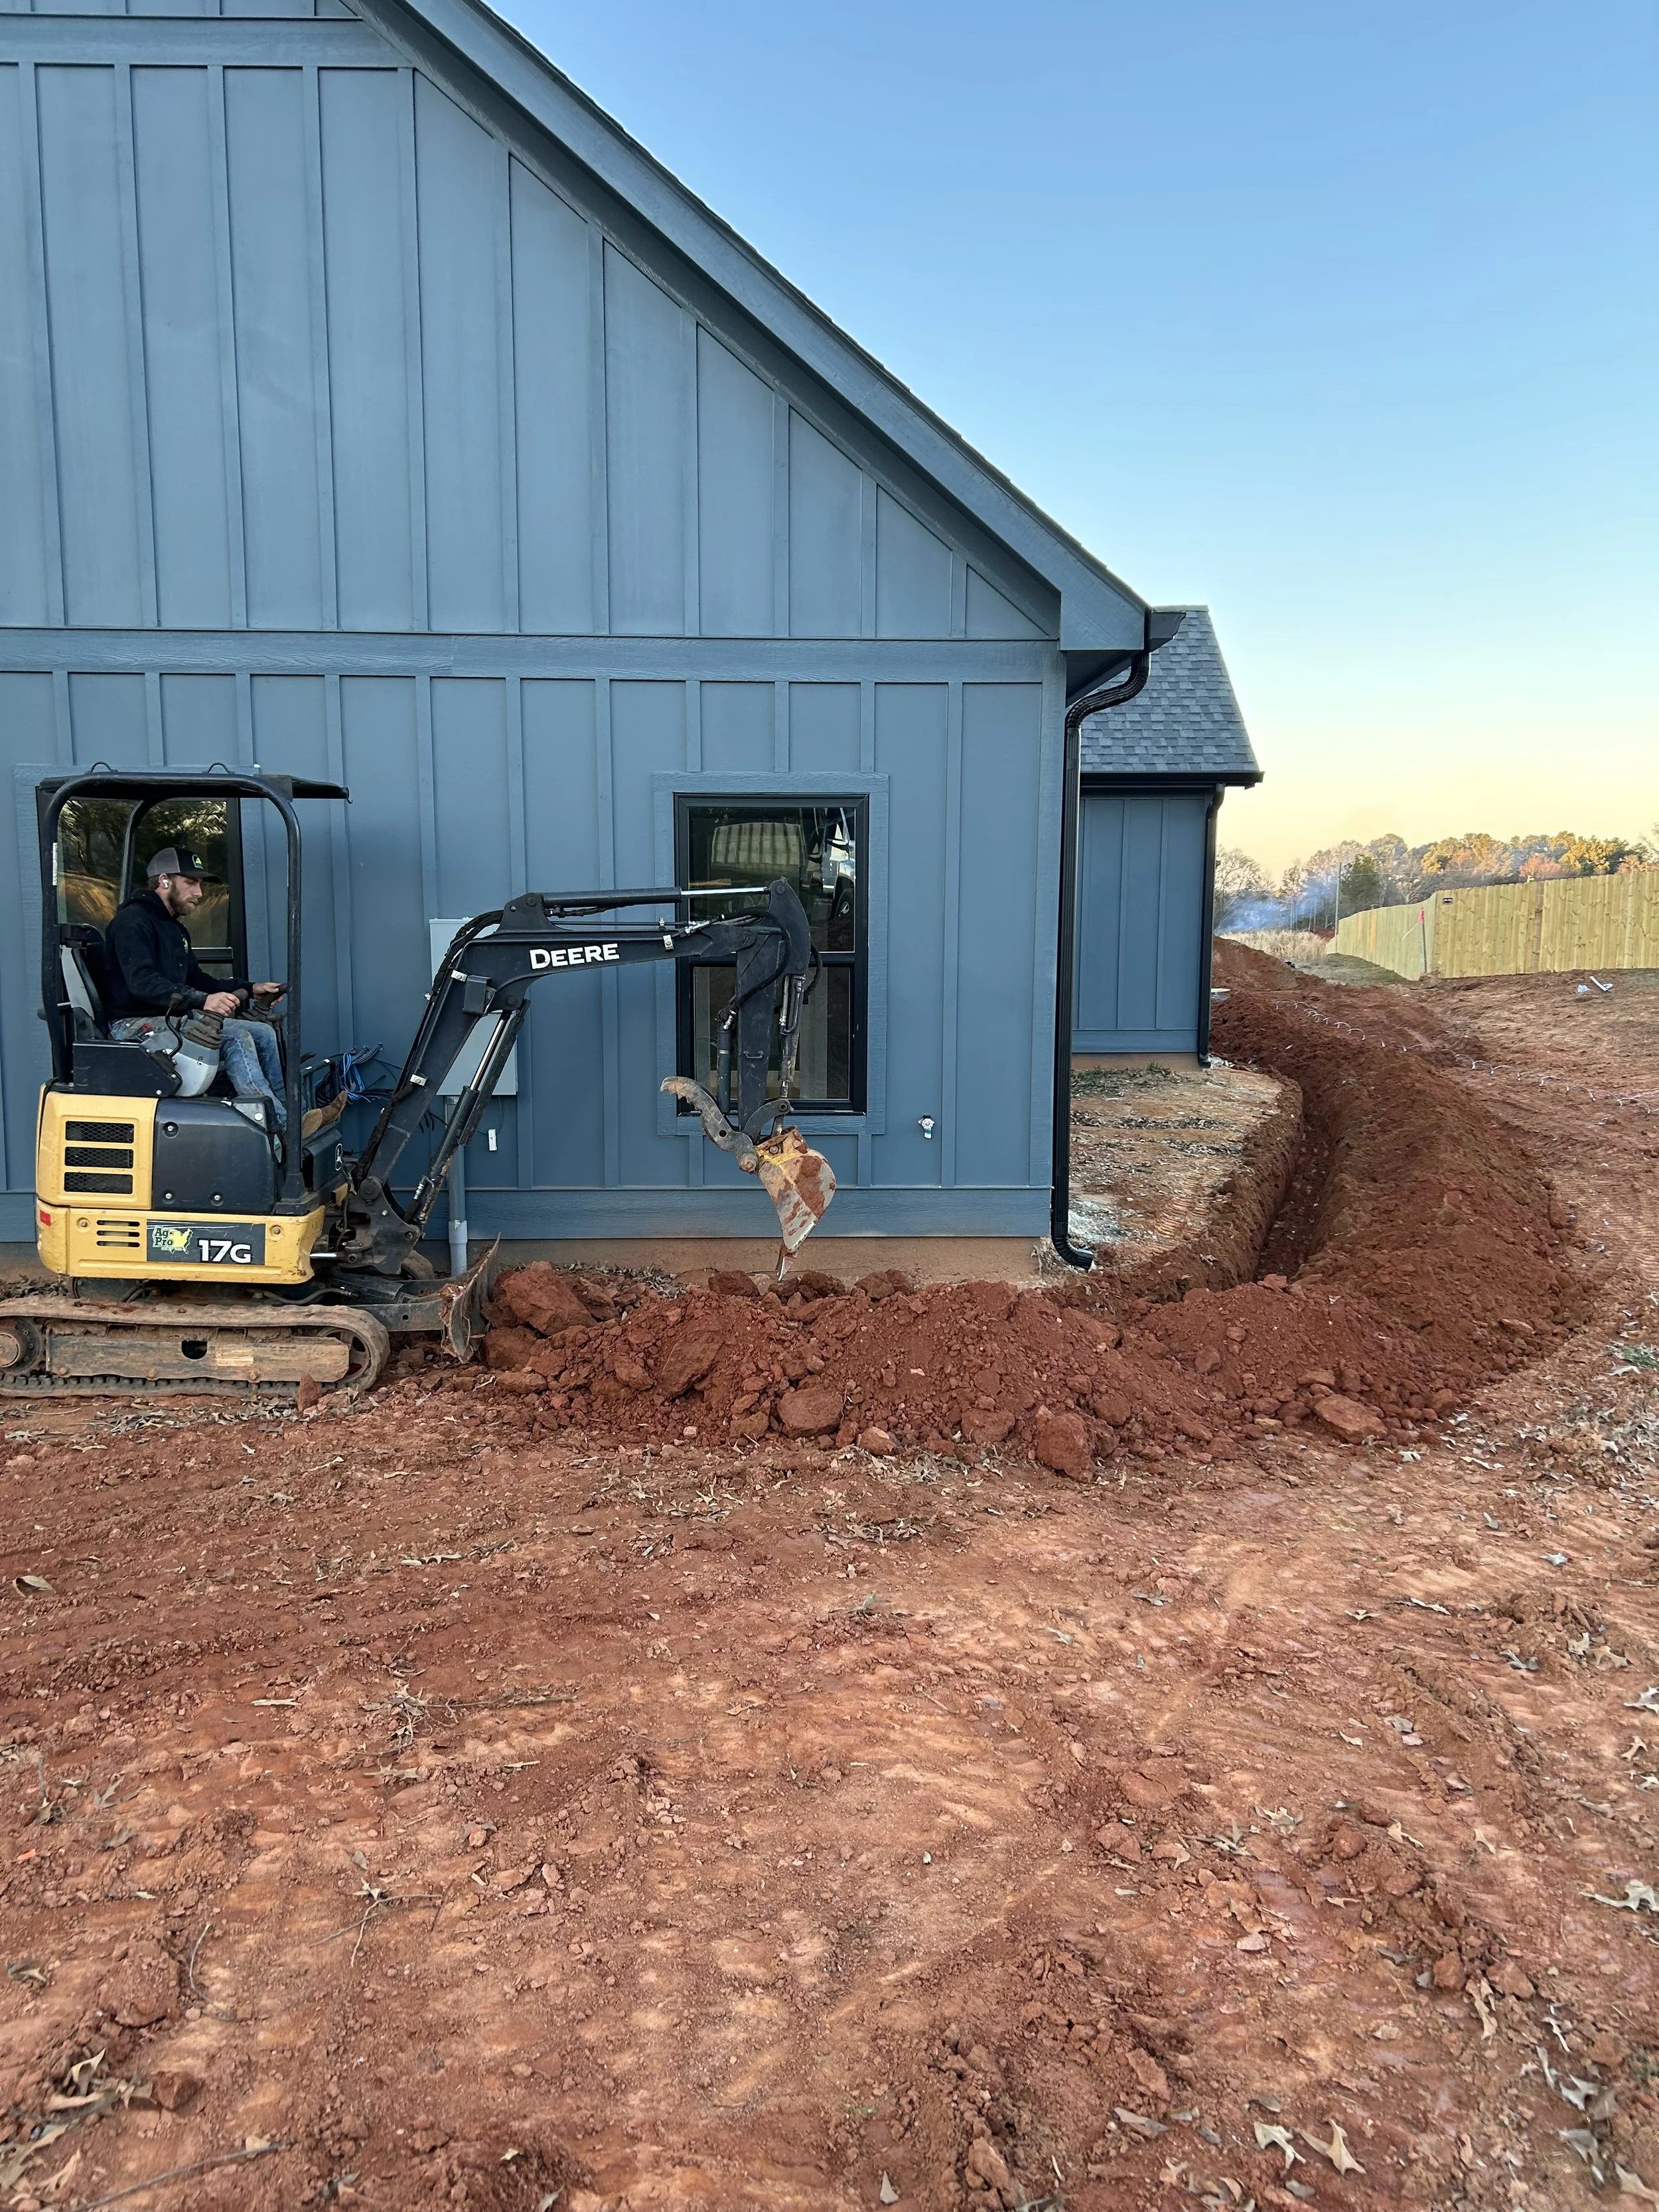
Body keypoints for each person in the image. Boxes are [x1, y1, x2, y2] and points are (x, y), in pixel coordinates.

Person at [102, 846, 291, 1128]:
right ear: (165, 881)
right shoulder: (133, 922)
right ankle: (280, 1125)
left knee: (263, 1032)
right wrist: (203, 1001)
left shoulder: (175, 929)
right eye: (191, 883)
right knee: (236, 1038)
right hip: (134, 1024)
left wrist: (251, 989)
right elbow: (142, 982)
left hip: (169, 1018)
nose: (199, 893)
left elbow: (197, 980)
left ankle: (294, 1118)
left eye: (200, 884)